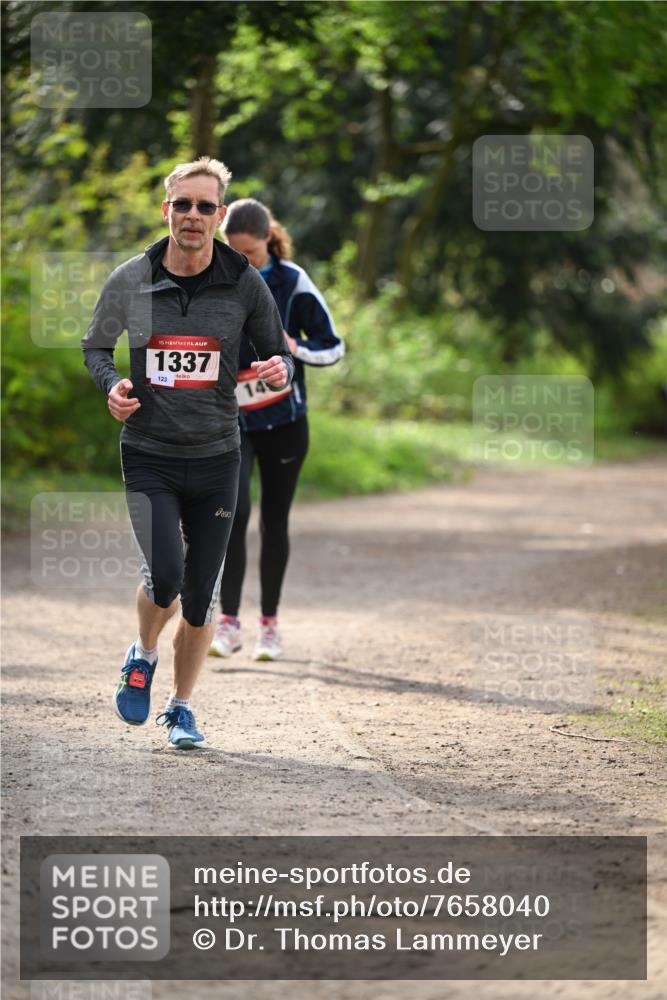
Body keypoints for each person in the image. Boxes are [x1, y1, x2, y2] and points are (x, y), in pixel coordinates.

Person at [81, 159, 294, 749]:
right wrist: (112, 385)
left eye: (205, 206)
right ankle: (142, 655)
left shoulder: (244, 281)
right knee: (167, 574)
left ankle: (180, 708)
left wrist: (279, 368)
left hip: (217, 456)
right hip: (149, 453)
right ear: (166, 209)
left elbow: (278, 355)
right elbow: (96, 345)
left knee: (201, 594)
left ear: (221, 216)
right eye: (183, 204)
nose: (193, 216)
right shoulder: (131, 278)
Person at [209, 198, 344, 662]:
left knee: (273, 521)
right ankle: (228, 624)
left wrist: (294, 348)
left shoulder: (293, 281)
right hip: (234, 421)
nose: (238, 260)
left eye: (247, 252)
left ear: (268, 239)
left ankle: (270, 626)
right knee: (233, 514)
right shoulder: (216, 274)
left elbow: (333, 347)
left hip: (286, 422)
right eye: (231, 249)